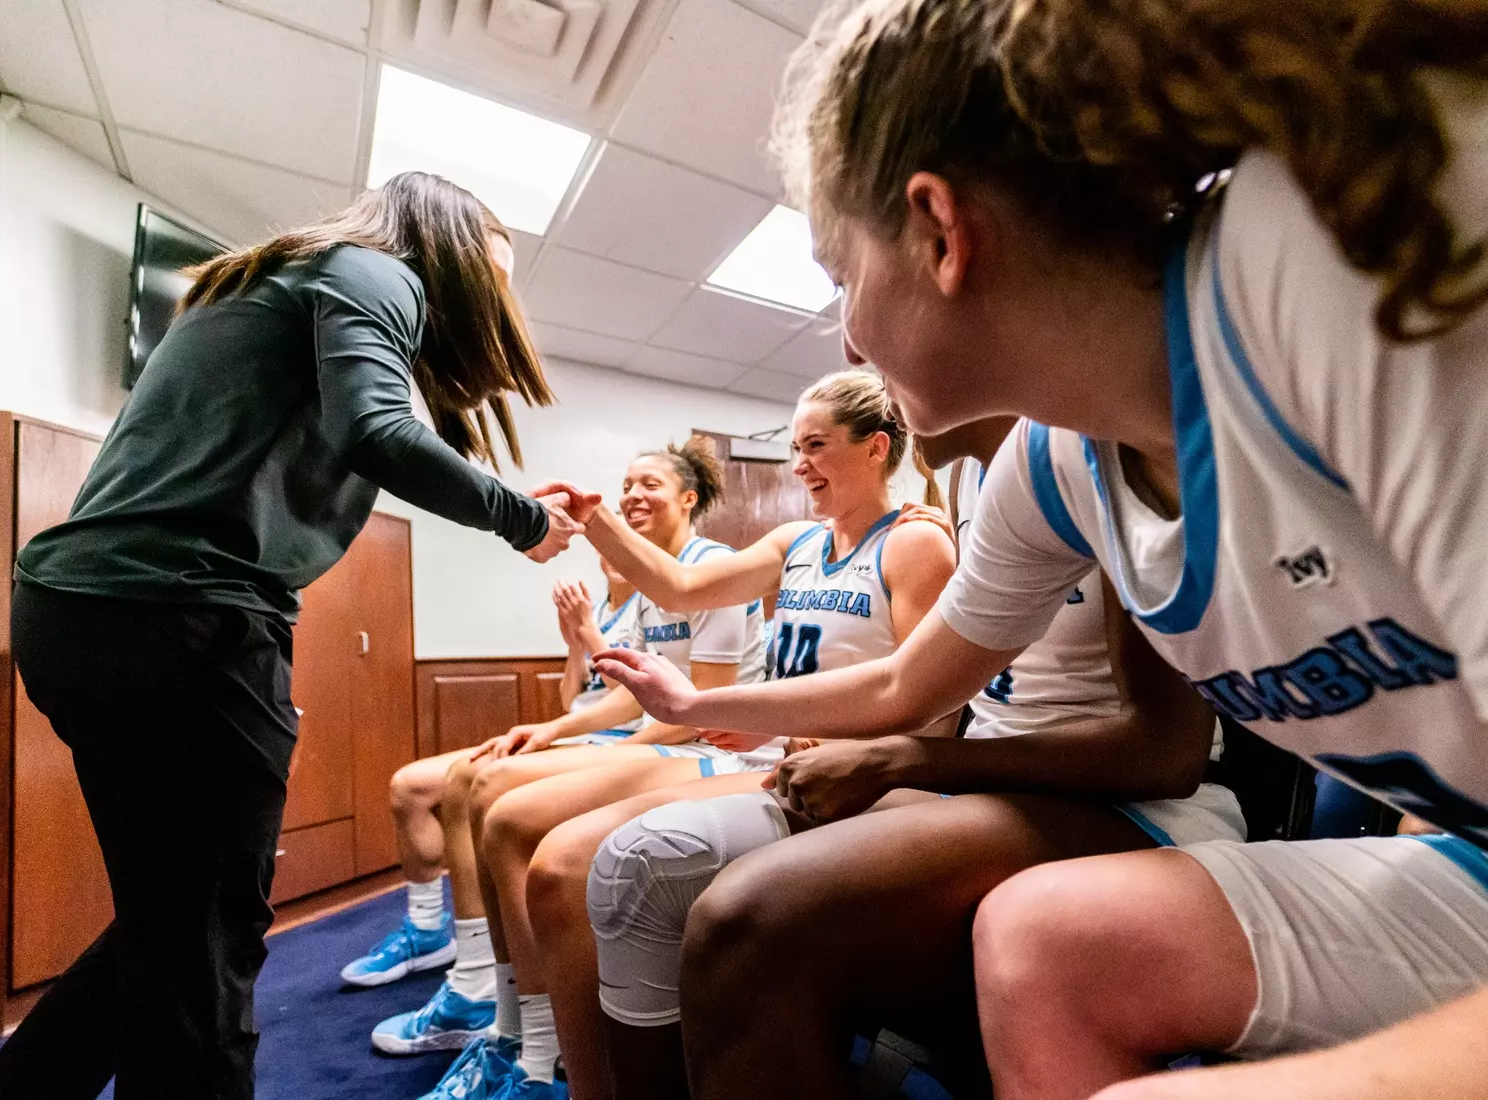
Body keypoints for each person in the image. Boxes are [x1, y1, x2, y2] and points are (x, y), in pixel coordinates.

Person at [600, 1, 1488, 1096]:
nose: (845, 336)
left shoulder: (1331, 253)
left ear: (938, 230)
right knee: (1038, 935)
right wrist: (689, 707)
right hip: (1467, 863)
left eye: (841, 276)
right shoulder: (1055, 462)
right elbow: (902, 682)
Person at [0, 172, 582, 1100]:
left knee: (171, 923)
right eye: (497, 268)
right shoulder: (380, 272)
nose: (502, 293)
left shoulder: (282, 279)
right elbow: (376, 430)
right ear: (448, 246)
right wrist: (521, 522)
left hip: (80, 609)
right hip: (184, 617)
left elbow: (373, 421)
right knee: (209, 941)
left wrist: (511, 500)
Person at [587, 420, 1241, 1100]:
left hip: (1133, 806)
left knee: (747, 920)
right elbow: (905, 682)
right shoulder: (963, 480)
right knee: (645, 856)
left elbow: (1160, 755)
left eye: (818, 443)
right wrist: (698, 707)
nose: (856, 354)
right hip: (986, 788)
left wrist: (902, 760)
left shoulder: (1096, 452)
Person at [500, 371, 959, 1100]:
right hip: (778, 760)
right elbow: (680, 589)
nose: (799, 464)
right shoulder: (794, 540)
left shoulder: (913, 544)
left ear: (876, 448)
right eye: (794, 448)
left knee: (580, 862)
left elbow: (935, 707)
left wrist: (816, 734)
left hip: (867, 776)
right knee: (561, 863)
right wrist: (595, 520)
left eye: (816, 445)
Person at [372, 440, 765, 1092]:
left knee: (498, 797)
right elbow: (619, 695)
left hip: (712, 748)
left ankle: (537, 1042)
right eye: (626, 483)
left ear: (689, 498)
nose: (633, 495)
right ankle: (496, 1005)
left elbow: (701, 708)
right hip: (656, 736)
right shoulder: (650, 583)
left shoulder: (710, 567)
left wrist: (607, 744)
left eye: (649, 484)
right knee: (477, 780)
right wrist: (552, 726)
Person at [338, 558, 641, 991]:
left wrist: (589, 632)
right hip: (576, 732)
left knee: (475, 780)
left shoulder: (651, 608)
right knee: (409, 787)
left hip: (615, 740)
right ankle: (426, 930)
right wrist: (575, 642)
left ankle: (483, 966)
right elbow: (571, 696)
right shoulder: (605, 610)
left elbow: (636, 698)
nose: (613, 559)